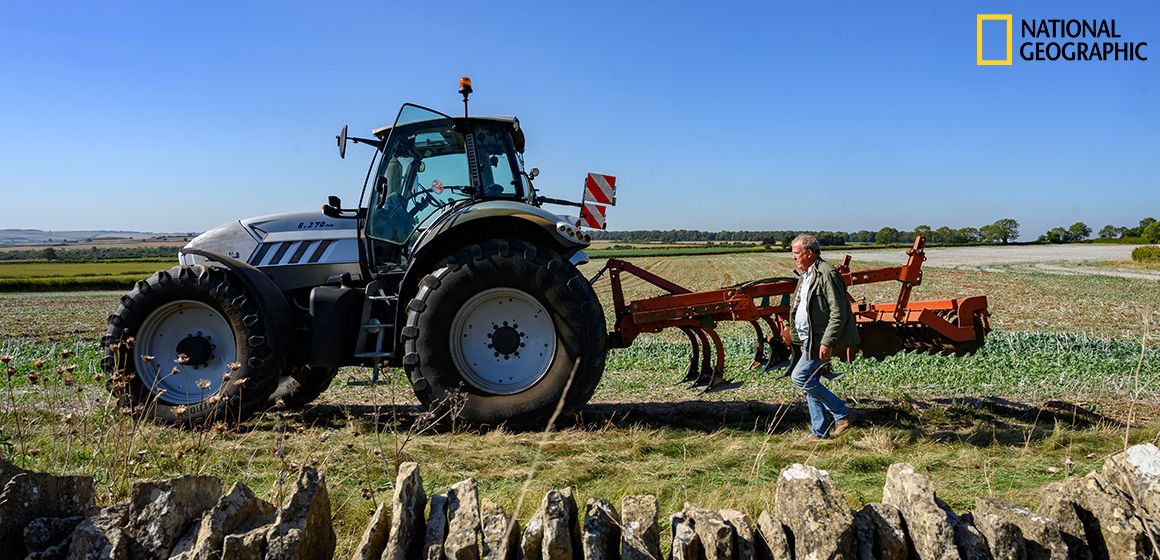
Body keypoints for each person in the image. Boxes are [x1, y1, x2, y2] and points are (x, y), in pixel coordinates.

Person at [787, 234, 860, 438]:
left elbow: (838, 312)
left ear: (809, 253)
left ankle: (842, 413)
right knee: (811, 383)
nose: (793, 257)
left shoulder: (827, 273)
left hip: (819, 339)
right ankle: (820, 432)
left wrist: (827, 341)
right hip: (808, 338)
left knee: (800, 378)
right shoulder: (806, 275)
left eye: (796, 253)